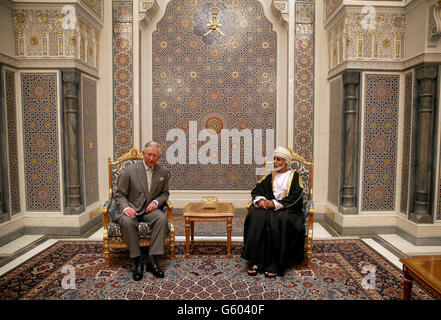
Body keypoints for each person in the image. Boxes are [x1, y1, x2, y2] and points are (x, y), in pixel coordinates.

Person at [241, 146, 305, 278]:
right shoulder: (271, 176)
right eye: (274, 159)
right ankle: (255, 260)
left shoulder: (294, 176)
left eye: (279, 159)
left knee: (281, 221)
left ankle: (275, 263)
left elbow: (297, 196)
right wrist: (261, 201)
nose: (275, 162)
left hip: (287, 209)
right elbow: (257, 190)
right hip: (269, 209)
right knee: (255, 217)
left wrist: (275, 204)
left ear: (286, 162)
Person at [114, 141, 170, 280]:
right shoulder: (130, 171)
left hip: (150, 211)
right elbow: (119, 194)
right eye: (149, 155)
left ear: (159, 156)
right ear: (143, 154)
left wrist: (156, 202)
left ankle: (152, 259)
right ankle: (137, 260)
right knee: (127, 222)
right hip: (131, 208)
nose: (151, 158)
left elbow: (165, 193)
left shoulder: (163, 172)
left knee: (162, 218)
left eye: (154, 155)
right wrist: (126, 208)